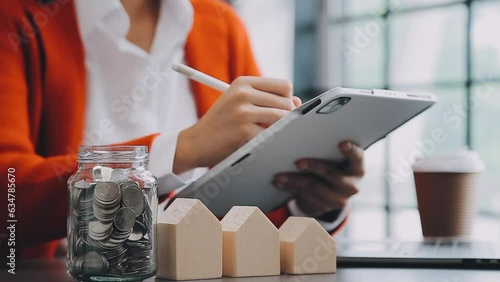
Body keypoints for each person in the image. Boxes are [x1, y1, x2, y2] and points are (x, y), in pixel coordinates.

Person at [0, 0, 364, 260]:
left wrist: (308, 201)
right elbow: (8, 192)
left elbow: (245, 210)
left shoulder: (221, 24)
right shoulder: (14, 17)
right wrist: (180, 150)